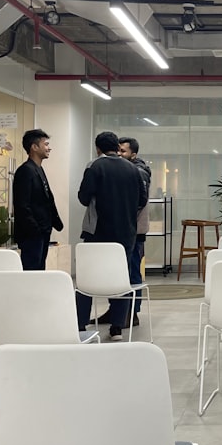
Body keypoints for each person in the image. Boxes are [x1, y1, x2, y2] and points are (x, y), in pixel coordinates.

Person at [76, 131, 147, 341]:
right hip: (126, 233)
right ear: (116, 147)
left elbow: (83, 197)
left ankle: (81, 324)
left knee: (87, 278)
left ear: (98, 148)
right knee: (121, 278)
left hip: (98, 232)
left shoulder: (94, 166)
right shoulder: (133, 169)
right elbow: (142, 200)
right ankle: (117, 327)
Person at [94, 136, 151, 325]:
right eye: (118, 150)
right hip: (122, 229)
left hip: (133, 230)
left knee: (132, 271)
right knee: (118, 272)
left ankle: (131, 312)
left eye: (123, 151)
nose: (119, 154)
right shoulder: (122, 169)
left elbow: (138, 202)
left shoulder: (138, 172)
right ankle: (117, 311)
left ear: (133, 154)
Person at [12, 129, 63, 271]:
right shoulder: (25, 171)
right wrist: (36, 229)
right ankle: (30, 293)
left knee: (40, 267)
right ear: (34, 147)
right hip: (32, 233)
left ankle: (38, 293)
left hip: (42, 231)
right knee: (32, 268)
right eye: (45, 144)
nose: (49, 148)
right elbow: (22, 205)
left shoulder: (38, 169)